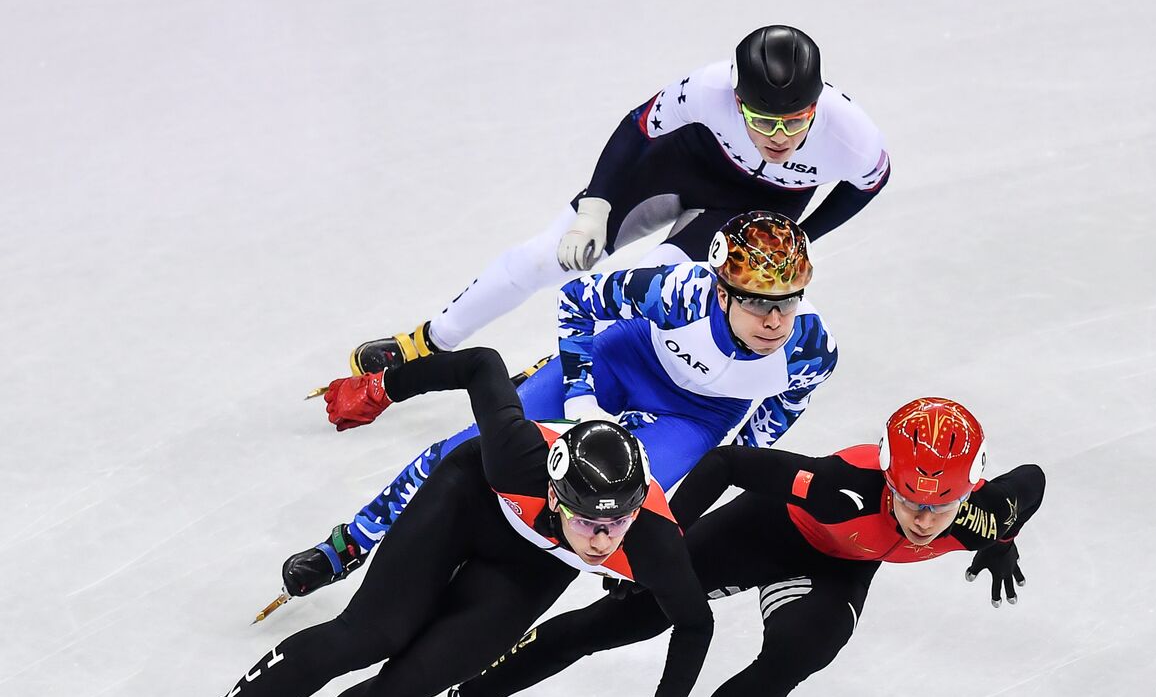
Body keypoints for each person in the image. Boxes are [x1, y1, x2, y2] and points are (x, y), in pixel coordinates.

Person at [119, 347, 714, 697]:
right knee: (366, 638)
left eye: (619, 524)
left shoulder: (653, 544)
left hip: (528, 569)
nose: (603, 540)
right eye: (589, 522)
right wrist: (385, 386)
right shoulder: (518, 456)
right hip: (470, 500)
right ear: (556, 495)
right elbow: (482, 365)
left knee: (404, 688)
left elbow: (694, 623)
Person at [354, 398, 1047, 697]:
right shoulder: (841, 488)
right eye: (911, 500)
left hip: (837, 569)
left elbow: (1033, 480)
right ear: (888, 478)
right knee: (622, 620)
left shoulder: (983, 512)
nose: (926, 520)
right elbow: (725, 465)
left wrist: (1001, 539)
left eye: (943, 507)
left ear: (972, 492)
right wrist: (666, 546)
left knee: (797, 656)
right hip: (766, 528)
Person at [283, 211, 838, 599]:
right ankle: (352, 540)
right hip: (621, 364)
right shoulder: (679, 292)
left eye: (786, 305)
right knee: (466, 452)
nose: (775, 323)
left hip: (693, 418)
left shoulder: (812, 346)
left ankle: (501, 596)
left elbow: (785, 405)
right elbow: (576, 299)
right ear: (721, 293)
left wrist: (731, 453)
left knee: (611, 513)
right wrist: (580, 394)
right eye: (759, 305)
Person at [349, 24, 888, 375]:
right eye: (761, 119)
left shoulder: (852, 134)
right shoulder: (708, 88)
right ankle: (429, 340)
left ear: (817, 106)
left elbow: (869, 183)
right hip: (678, 166)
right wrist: (596, 209)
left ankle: (555, 370)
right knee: (548, 256)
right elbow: (638, 129)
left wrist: (802, 237)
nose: (778, 136)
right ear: (736, 97)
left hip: (750, 213)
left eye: (794, 121)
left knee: (649, 291)